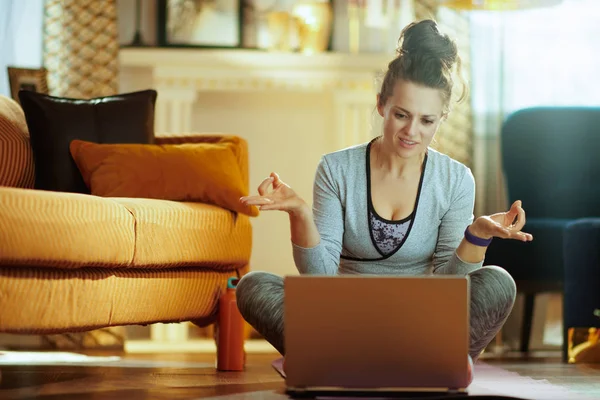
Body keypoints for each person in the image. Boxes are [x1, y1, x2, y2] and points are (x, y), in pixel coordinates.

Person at [237, 19, 532, 371]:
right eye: (401, 115)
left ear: (442, 119)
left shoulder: (455, 180)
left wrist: (478, 235)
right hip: (345, 321)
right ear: (381, 105)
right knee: (253, 286)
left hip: (422, 325)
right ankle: (417, 362)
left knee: (498, 282)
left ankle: (355, 360)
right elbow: (320, 280)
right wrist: (299, 213)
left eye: (426, 121)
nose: (411, 131)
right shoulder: (336, 169)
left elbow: (449, 288)